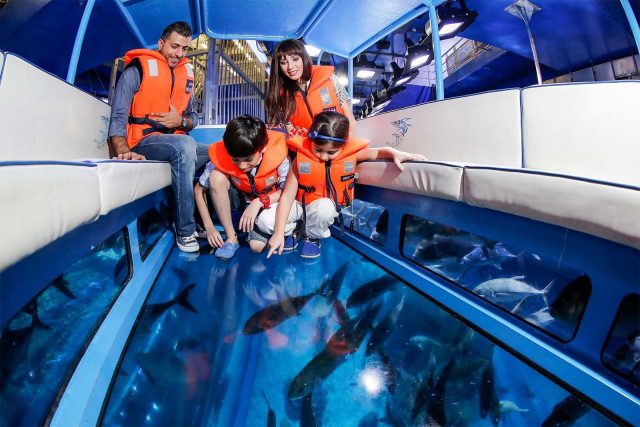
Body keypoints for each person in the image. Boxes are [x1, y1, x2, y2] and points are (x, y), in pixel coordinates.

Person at [267, 111, 427, 259]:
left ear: (343, 147)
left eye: (331, 153)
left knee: (324, 209)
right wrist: (279, 233)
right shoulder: (300, 160)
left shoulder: (351, 154)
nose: (323, 156)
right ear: (311, 141)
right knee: (264, 222)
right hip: (299, 205)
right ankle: (294, 229)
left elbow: (377, 152)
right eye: (318, 149)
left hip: (320, 208)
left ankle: (311, 236)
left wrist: (395, 153)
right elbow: (287, 197)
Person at [107, 21, 209, 253]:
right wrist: (123, 150)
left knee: (215, 152)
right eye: (174, 46)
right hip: (143, 142)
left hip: (176, 141)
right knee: (184, 145)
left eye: (184, 49)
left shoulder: (187, 75)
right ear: (161, 43)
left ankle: (205, 219)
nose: (179, 54)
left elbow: (194, 117)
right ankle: (185, 230)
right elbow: (119, 114)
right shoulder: (138, 68)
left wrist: (180, 122)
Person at [202, 115, 299, 260]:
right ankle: (231, 238)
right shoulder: (225, 155)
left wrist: (259, 201)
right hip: (244, 202)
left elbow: (288, 191)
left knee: (256, 246)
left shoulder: (280, 158)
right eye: (236, 159)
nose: (242, 165)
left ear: (263, 148)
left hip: (272, 203)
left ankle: (291, 228)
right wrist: (209, 226)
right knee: (216, 176)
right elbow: (199, 191)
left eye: (248, 159)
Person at [266, 39, 357, 137]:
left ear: (303, 58)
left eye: (295, 59)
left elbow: (350, 119)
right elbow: (291, 133)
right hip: (306, 149)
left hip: (338, 144)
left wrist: (345, 146)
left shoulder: (331, 79)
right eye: (284, 63)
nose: (290, 67)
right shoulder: (281, 97)